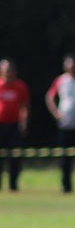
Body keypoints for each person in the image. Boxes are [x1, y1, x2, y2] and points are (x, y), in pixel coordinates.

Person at [45, 54, 75, 194]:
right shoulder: (61, 81)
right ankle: (66, 187)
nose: (72, 69)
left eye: (74, 66)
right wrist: (56, 113)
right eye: (69, 67)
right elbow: (50, 96)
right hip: (65, 125)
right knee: (65, 159)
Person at [0, 58, 31, 192]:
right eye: (6, 70)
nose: (8, 73)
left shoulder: (20, 86)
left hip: (14, 126)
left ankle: (13, 184)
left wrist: (23, 123)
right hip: (0, 125)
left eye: (10, 70)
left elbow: (25, 106)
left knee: (15, 156)